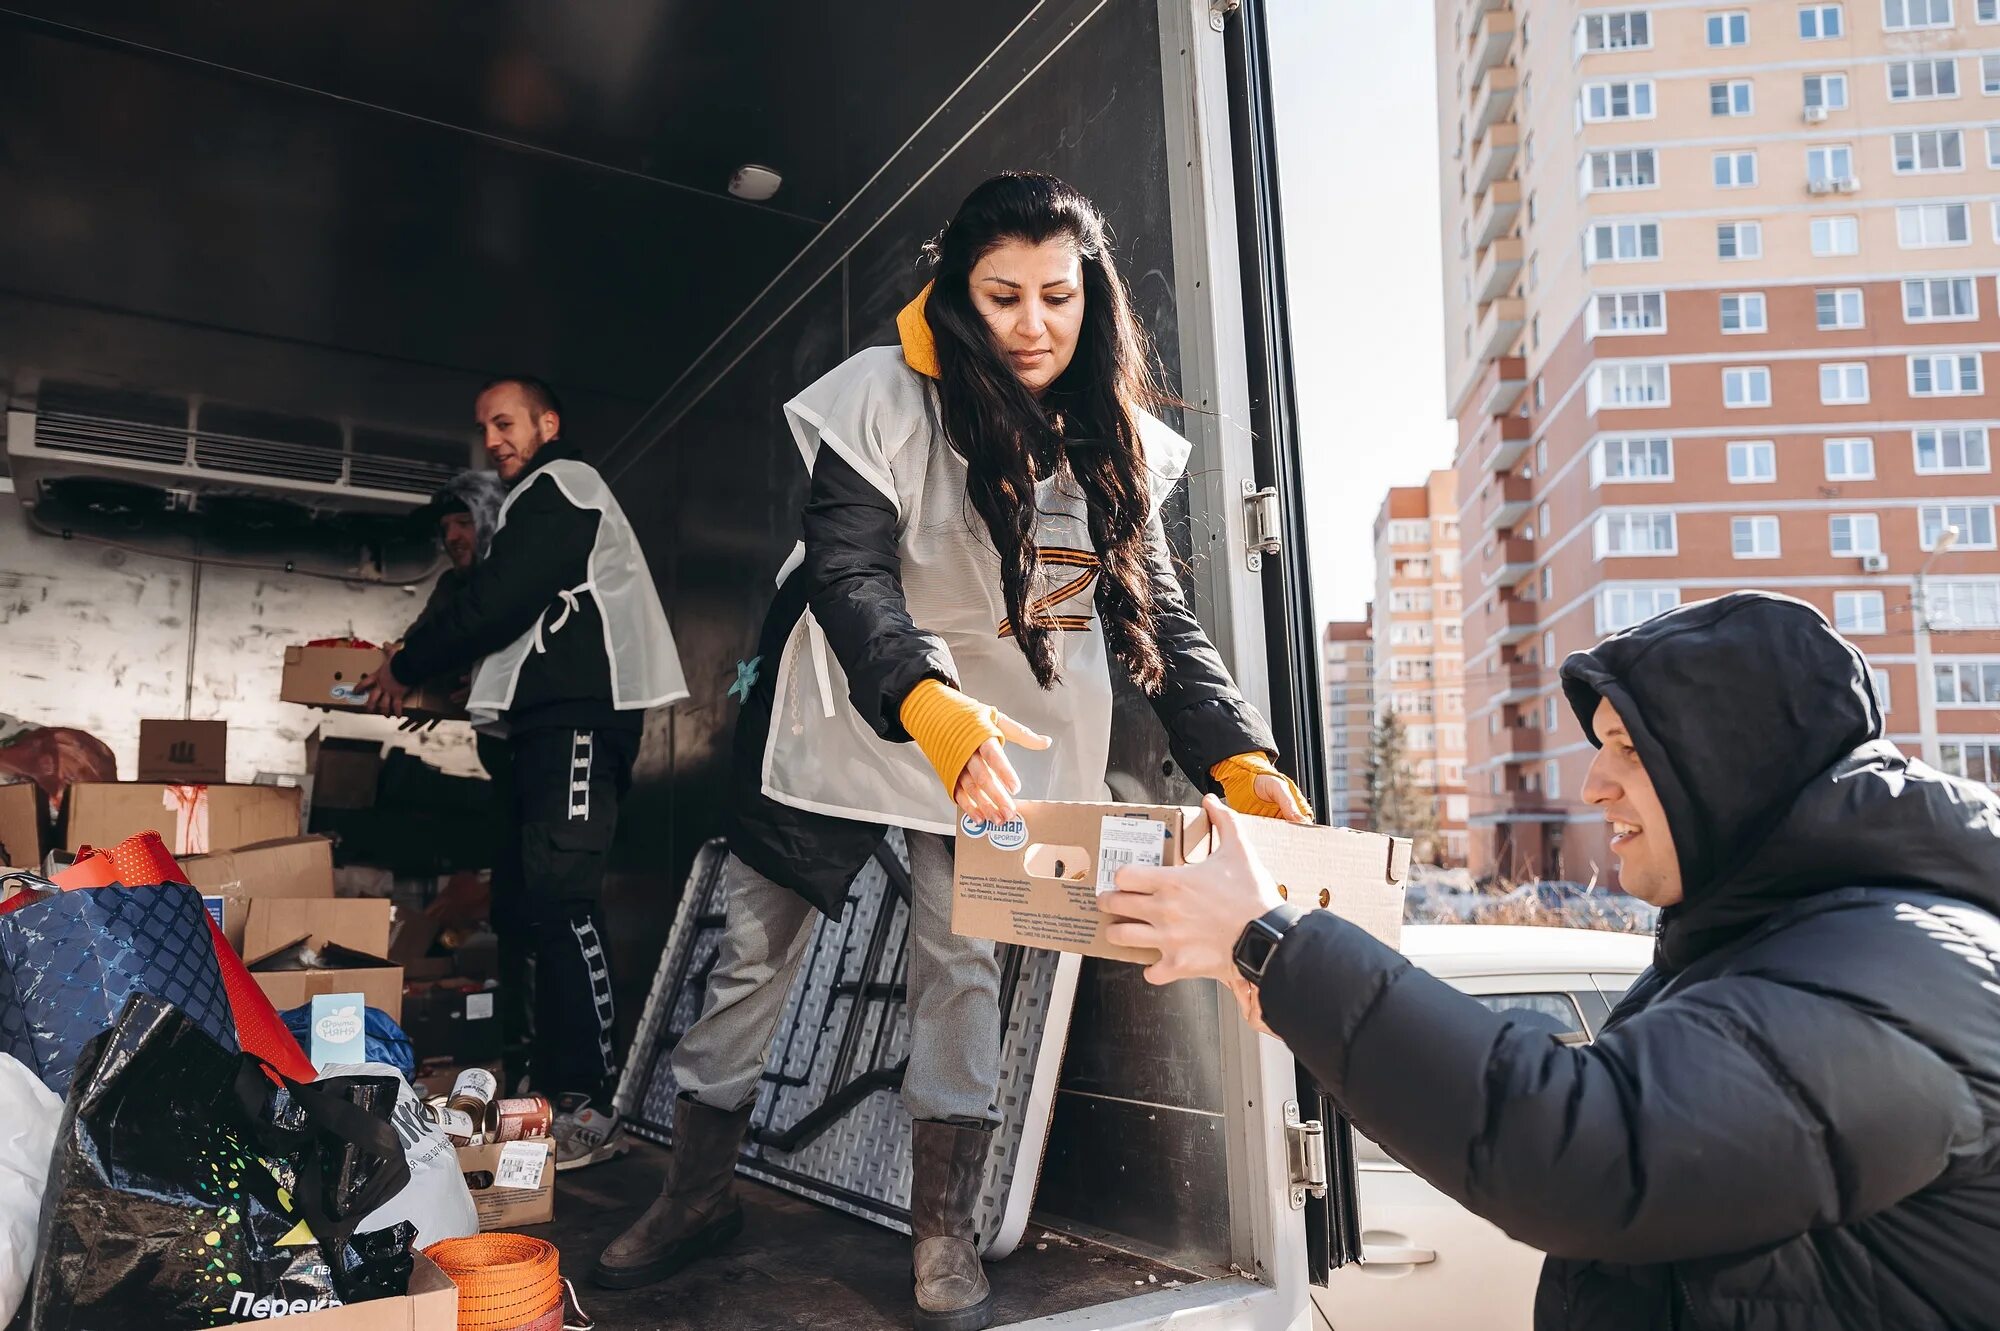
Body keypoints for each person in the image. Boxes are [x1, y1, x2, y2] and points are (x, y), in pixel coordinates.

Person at [591, 173, 1311, 1331]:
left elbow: (1154, 619)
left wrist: (1237, 756)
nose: (1033, 324)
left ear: (1092, 298)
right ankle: (696, 1189)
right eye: (1003, 296)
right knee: (746, 956)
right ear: (958, 295)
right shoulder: (880, 395)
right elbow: (847, 570)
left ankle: (941, 1230)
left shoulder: (1111, 438)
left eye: (1057, 297)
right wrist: (925, 702)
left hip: (1004, 746)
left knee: (961, 976)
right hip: (853, 716)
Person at [1100, 591, 2000, 1330]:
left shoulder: (1905, 966)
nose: (1593, 786)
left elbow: (1592, 1146)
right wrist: (1300, 998)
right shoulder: (1774, 941)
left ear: (1738, 767)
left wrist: (1273, 943)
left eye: (1629, 751)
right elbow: (1607, 1098)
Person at [359, 376, 688, 1166]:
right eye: (485, 429)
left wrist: (406, 661)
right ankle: (543, 1085)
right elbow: (503, 617)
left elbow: (501, 600)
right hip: (546, 724)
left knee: (567, 902)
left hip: (580, 717)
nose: (494, 440)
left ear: (548, 422)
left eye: (505, 423)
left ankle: (589, 1101)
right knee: (536, 904)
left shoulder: (562, 485)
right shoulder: (533, 501)